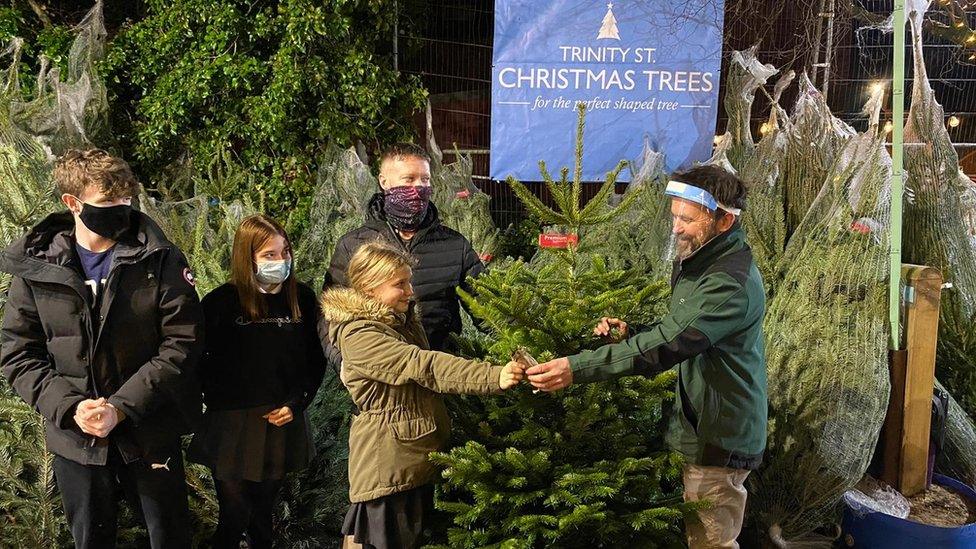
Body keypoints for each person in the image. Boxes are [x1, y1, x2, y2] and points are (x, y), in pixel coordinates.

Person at [525, 165, 767, 549]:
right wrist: (632, 332)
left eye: (687, 219)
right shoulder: (705, 261)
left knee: (711, 540)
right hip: (701, 419)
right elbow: (681, 329)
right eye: (674, 216)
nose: (676, 228)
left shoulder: (727, 281)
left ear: (723, 221)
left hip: (718, 432)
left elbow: (669, 345)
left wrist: (577, 367)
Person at [0, 148, 203, 548]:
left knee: (170, 536)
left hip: (147, 430)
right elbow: (18, 352)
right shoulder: (38, 267)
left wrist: (121, 407)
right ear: (72, 203)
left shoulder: (159, 258)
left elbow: (183, 342)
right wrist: (72, 407)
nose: (121, 209)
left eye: (126, 199)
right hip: (75, 437)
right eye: (107, 202)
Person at [320, 241, 524, 549]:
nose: (410, 291)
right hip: (387, 467)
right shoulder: (360, 335)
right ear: (370, 287)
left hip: (408, 457)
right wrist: (494, 375)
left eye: (409, 281)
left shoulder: (397, 322)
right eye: (399, 284)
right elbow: (423, 366)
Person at [188, 214, 326, 548]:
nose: (280, 261)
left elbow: (315, 360)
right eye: (269, 255)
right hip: (232, 422)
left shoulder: (304, 299)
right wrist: (216, 400)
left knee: (264, 513)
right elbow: (198, 361)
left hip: (281, 419)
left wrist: (297, 403)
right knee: (234, 514)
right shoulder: (220, 303)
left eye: (284, 252)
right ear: (246, 257)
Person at [323, 142, 484, 353]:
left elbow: (487, 310)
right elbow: (331, 316)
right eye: (408, 179)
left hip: (441, 371)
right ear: (384, 182)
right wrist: (343, 364)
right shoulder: (353, 245)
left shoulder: (454, 245)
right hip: (379, 372)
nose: (418, 188)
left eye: (424, 180)